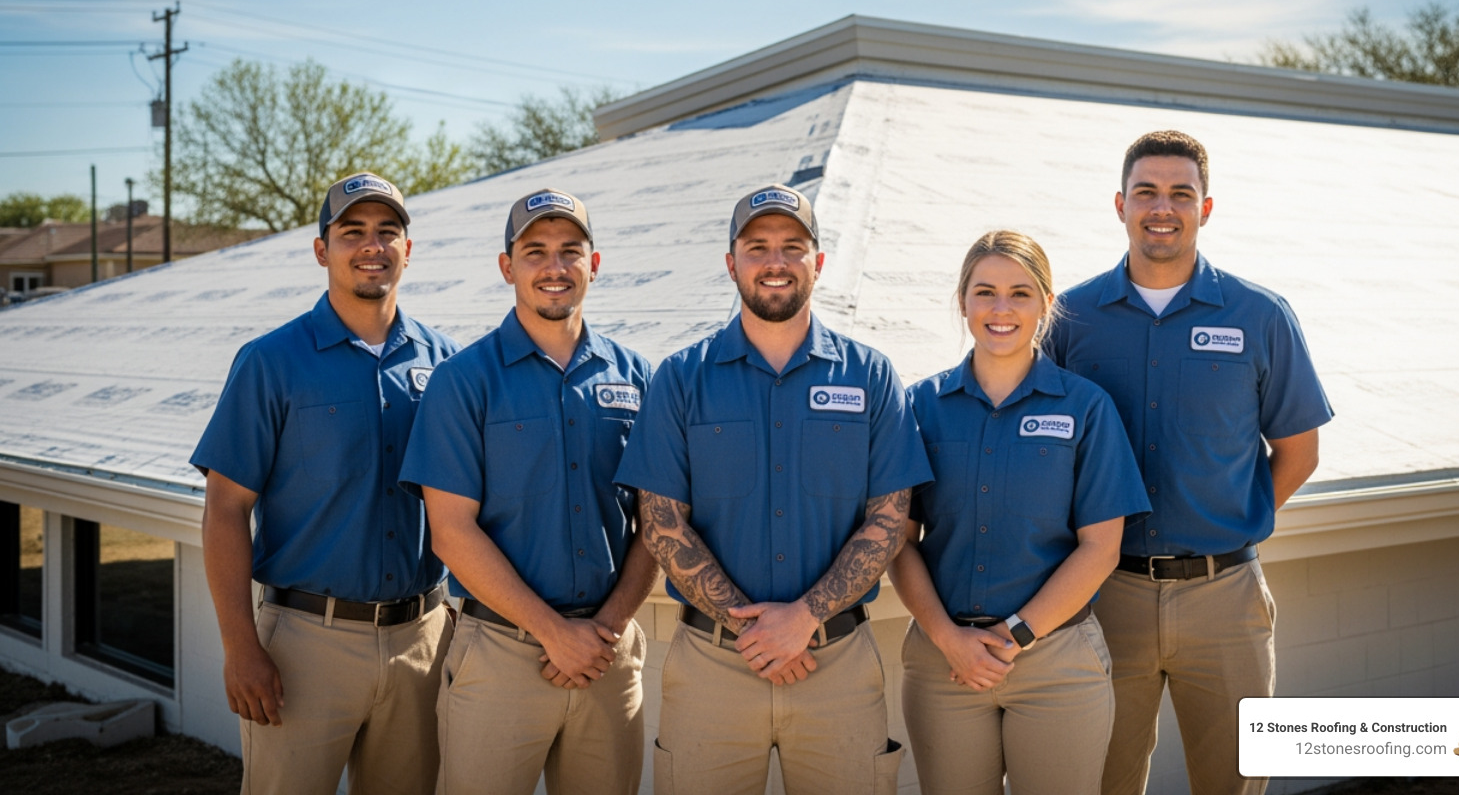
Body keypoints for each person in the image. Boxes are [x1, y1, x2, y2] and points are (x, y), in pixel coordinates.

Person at [1043, 130, 1334, 795]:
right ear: (1120, 204)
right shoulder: (1070, 318)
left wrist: (1232, 517)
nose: (1162, 207)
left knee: (1232, 780)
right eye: (1146, 192)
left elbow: (1299, 451)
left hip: (1225, 600)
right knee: (1102, 779)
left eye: (1181, 193)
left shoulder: (1260, 316)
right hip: (1104, 595)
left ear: (1206, 208)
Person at [616, 183, 932, 795]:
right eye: (757, 246)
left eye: (793, 245)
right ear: (731, 263)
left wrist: (804, 618)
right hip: (711, 669)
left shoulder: (870, 376)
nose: (776, 261)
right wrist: (758, 630)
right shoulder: (681, 377)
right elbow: (660, 523)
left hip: (837, 666)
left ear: (818, 261)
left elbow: (891, 519)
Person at [192, 172, 461, 795]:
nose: (372, 246)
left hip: (423, 641)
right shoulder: (271, 361)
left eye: (387, 232)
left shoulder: (446, 363)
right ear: (322, 250)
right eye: (352, 232)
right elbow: (225, 509)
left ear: (408, 249)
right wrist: (240, 648)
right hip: (305, 647)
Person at [399, 189, 658, 795]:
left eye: (571, 250)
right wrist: (552, 632)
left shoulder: (639, 376)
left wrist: (608, 628)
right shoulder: (462, 382)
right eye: (534, 250)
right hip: (499, 655)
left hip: (608, 653)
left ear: (594, 264)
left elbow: (660, 524)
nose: (554, 266)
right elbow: (451, 531)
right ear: (506, 266)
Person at [889, 230, 1152, 795]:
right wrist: (950, 639)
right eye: (984, 292)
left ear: (1046, 305)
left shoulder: (1086, 408)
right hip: (944, 662)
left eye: (1020, 293)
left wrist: (1014, 635)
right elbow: (898, 542)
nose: (1001, 309)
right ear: (963, 302)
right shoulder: (920, 406)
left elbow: (1100, 546)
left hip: (1056, 661)